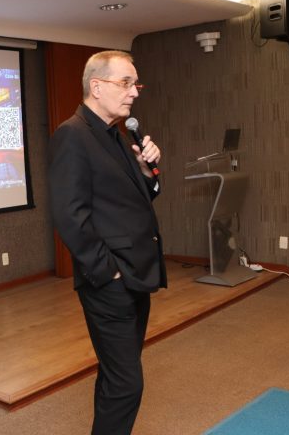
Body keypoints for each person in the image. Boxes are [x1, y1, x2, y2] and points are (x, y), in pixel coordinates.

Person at [48, 50, 167, 435]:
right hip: (110, 280)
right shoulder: (72, 135)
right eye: (125, 83)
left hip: (137, 274)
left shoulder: (117, 134)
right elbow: (70, 214)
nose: (134, 92)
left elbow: (135, 199)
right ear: (96, 87)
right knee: (127, 384)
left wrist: (148, 172)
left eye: (135, 84)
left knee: (117, 376)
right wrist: (108, 272)